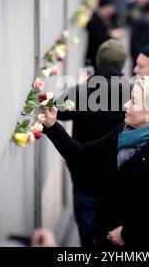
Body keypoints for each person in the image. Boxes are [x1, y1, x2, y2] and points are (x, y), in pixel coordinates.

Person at [42, 76, 149, 248]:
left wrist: (129, 233)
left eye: (134, 101)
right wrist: (52, 126)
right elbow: (83, 155)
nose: (126, 105)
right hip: (106, 237)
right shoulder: (123, 130)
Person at [56, 39, 130, 248]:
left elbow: (58, 110)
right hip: (118, 181)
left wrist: (79, 86)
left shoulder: (84, 90)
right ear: (122, 63)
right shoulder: (134, 92)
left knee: (88, 239)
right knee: (115, 240)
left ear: (98, 61)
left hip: (85, 176)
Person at [85, 0, 124, 68]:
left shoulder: (110, 19)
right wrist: (111, 35)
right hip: (91, 60)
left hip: (105, 61)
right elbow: (98, 39)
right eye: (110, 8)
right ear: (103, 7)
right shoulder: (94, 20)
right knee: (83, 78)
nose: (112, 11)